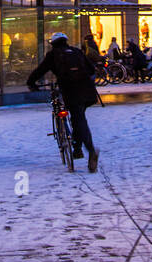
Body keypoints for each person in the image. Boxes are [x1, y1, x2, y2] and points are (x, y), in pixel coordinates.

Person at [27, 33, 99, 171]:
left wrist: (31, 83)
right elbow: (91, 69)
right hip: (87, 91)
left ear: (53, 44)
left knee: (79, 119)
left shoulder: (53, 54)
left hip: (71, 91)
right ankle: (77, 149)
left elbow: (40, 71)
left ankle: (91, 150)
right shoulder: (77, 51)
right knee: (78, 118)